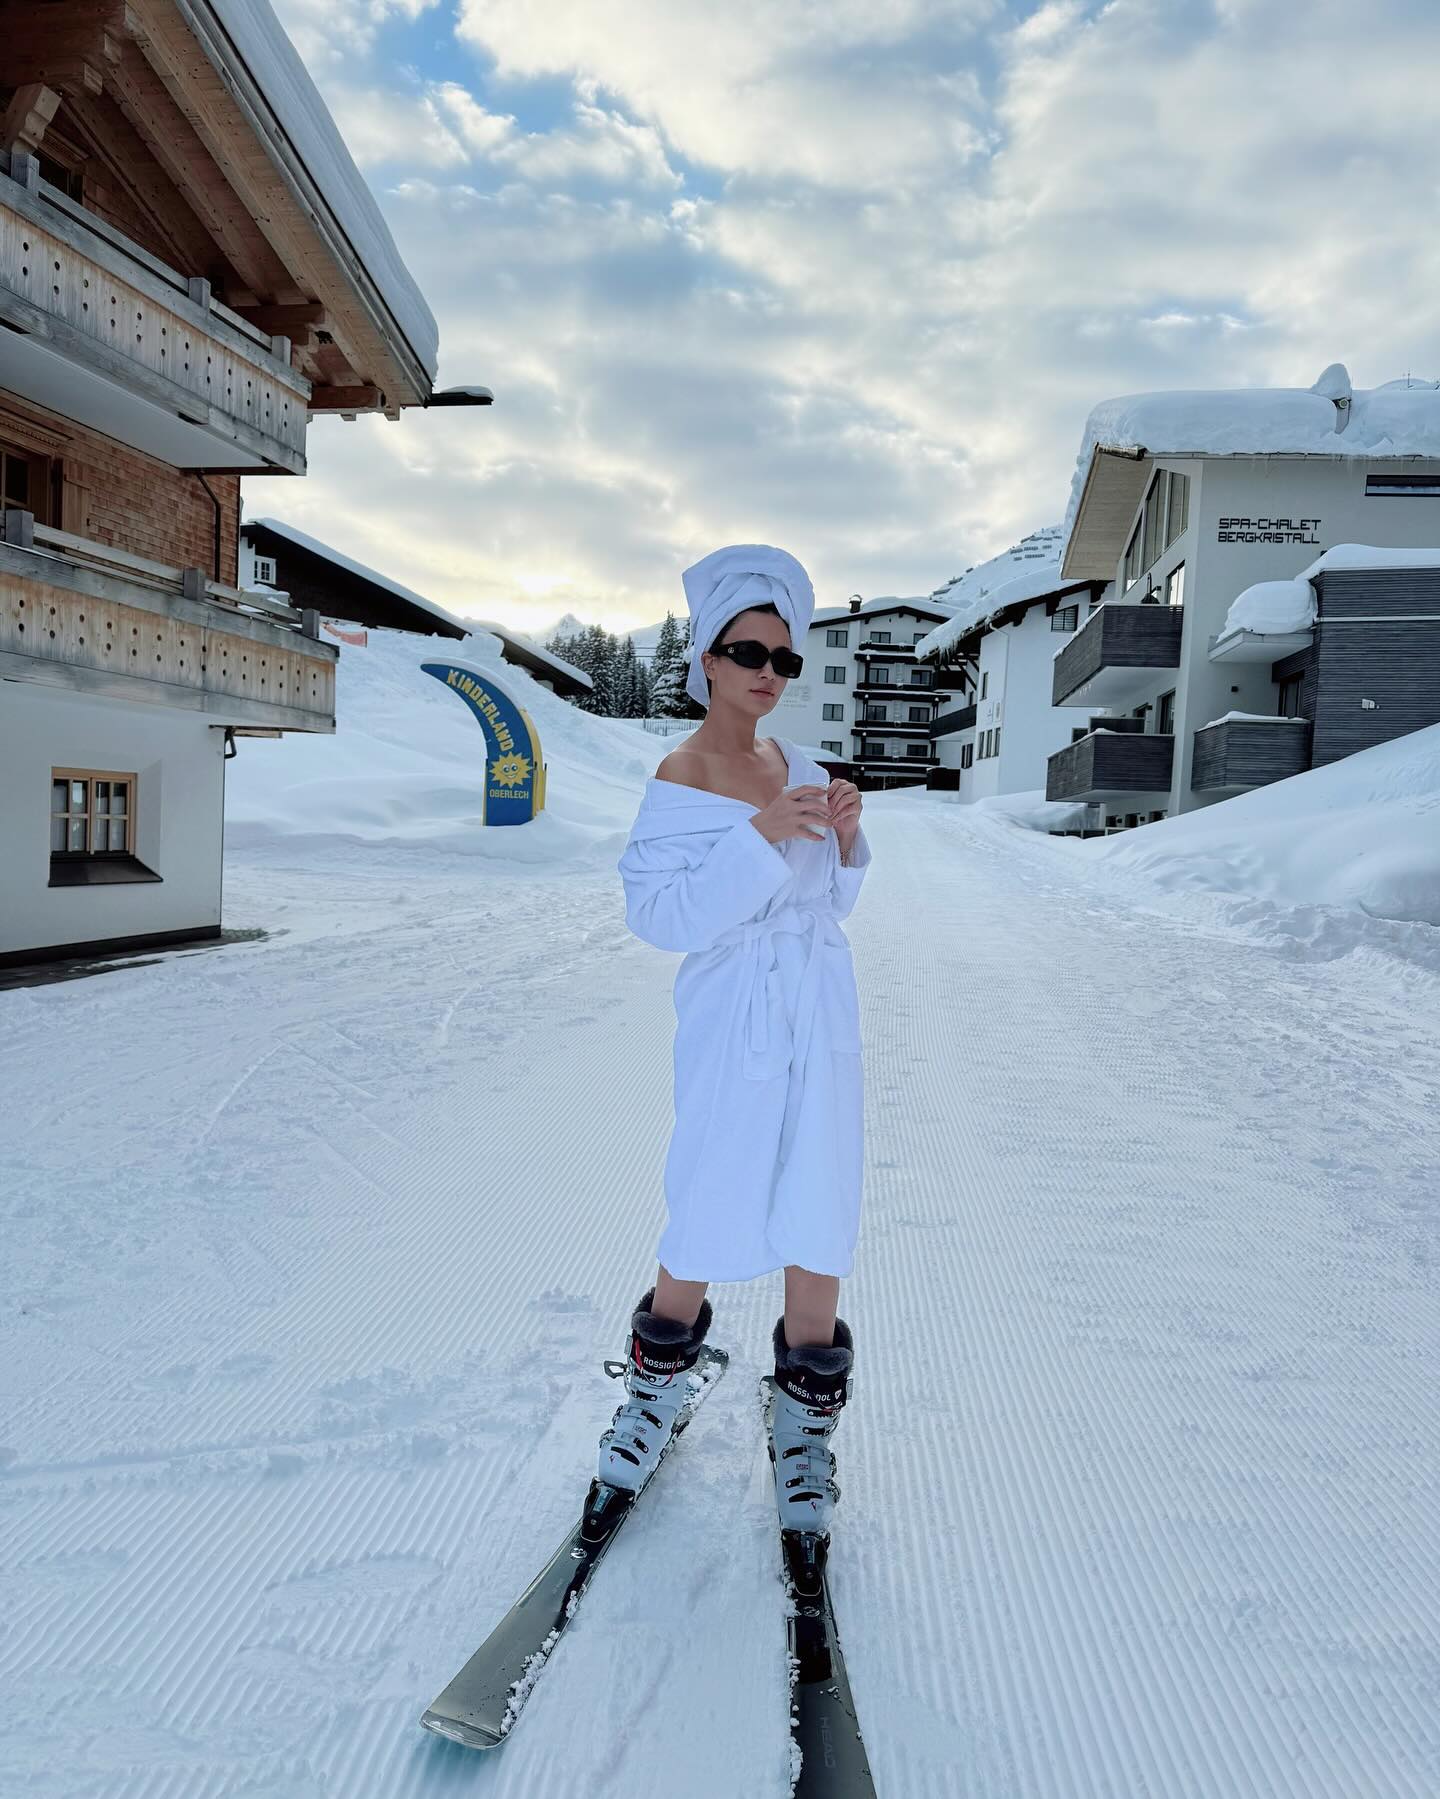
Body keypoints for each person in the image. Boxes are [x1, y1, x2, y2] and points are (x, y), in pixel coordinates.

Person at [595, 543, 873, 1544]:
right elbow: (662, 916)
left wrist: (842, 837)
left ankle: (802, 1431)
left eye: (784, 658)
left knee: (819, 1193)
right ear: (706, 659)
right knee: (712, 1183)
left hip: (817, 1007)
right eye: (748, 650)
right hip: (732, 1018)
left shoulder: (799, 766)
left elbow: (831, 900)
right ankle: (652, 1396)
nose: (767, 671)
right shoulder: (683, 772)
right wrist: (757, 837)